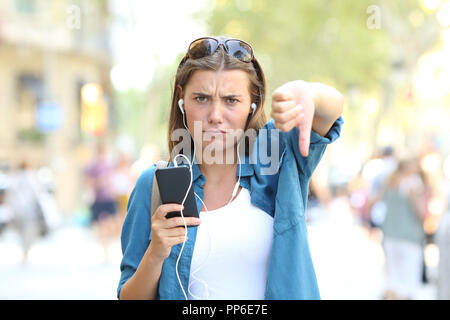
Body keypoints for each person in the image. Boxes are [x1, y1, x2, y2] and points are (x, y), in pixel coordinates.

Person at [118, 36, 344, 300]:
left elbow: (331, 112)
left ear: (253, 103)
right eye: (201, 98)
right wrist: (156, 252)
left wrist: (309, 93)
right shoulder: (154, 184)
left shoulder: (276, 160)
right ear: (182, 100)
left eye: (231, 100)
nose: (215, 115)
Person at [379, 159, 426, 299]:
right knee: (409, 285)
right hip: (409, 238)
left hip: (390, 236)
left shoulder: (388, 182)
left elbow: (375, 202)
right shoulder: (414, 183)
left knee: (392, 282)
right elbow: (421, 213)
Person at [84, 144, 117, 262]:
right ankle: (104, 247)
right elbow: (87, 181)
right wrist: (98, 182)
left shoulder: (109, 165)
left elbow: (112, 180)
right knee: (99, 224)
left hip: (108, 198)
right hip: (98, 199)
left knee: (109, 223)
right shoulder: (93, 166)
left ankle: (105, 244)